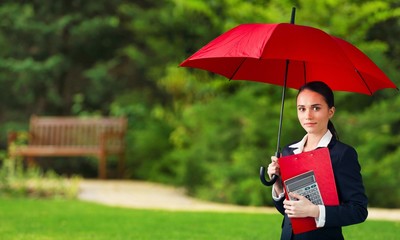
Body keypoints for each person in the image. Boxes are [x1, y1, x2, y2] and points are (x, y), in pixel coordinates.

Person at [267, 81, 368, 240]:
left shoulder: (342, 154)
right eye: (302, 109)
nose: (308, 115)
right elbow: (289, 212)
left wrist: (315, 211)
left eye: (316, 108)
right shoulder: (288, 152)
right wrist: (278, 185)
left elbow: (358, 210)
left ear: (331, 111)